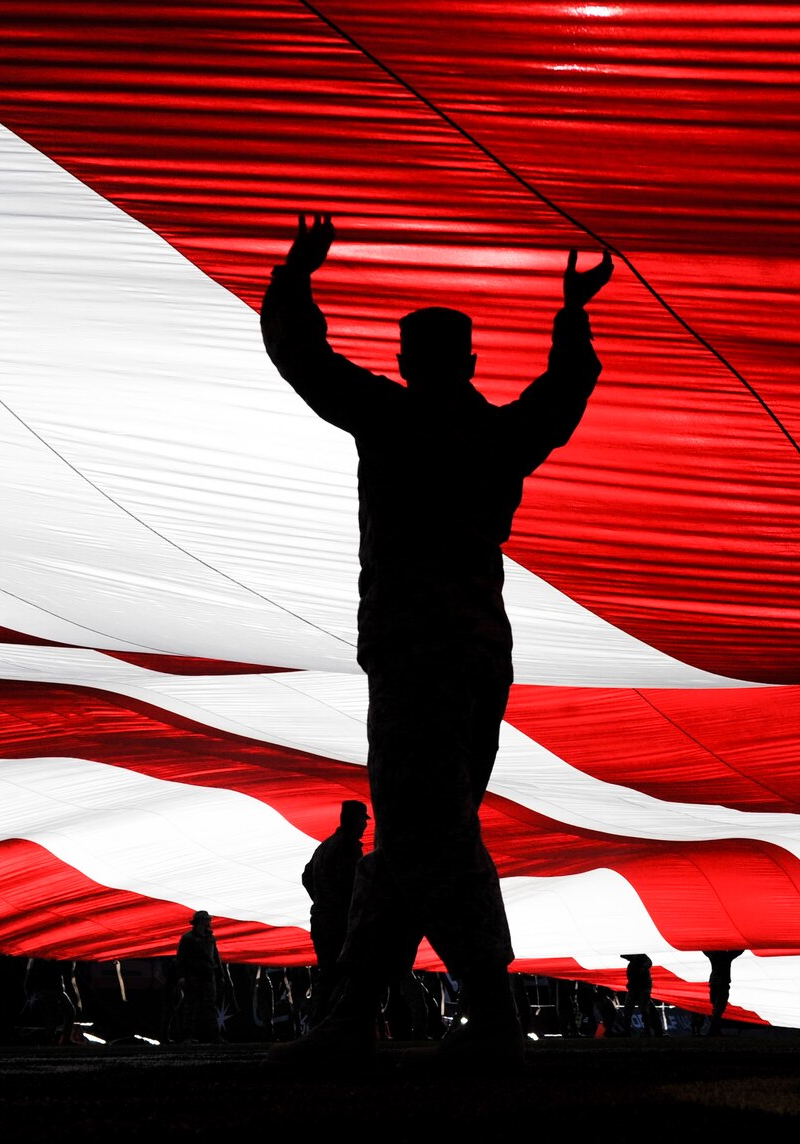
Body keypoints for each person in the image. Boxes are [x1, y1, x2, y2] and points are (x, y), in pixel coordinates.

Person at [261, 214, 613, 1065]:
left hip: (414, 649)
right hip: (478, 655)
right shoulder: (494, 436)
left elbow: (304, 362)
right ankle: (432, 1012)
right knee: (433, 829)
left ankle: (413, 1014)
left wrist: (297, 275)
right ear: (469, 362)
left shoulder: (392, 418)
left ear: (413, 363)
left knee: (425, 833)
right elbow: (561, 398)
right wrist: (572, 318)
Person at [300, 800, 368, 1019]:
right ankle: (332, 1022)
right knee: (346, 973)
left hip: (322, 918)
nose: (364, 826)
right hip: (339, 920)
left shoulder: (325, 846)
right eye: (362, 821)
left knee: (328, 973)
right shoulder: (347, 846)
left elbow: (306, 876)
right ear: (354, 820)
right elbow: (352, 884)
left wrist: (320, 899)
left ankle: (319, 1021)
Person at [174, 911, 222, 1043]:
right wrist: (182, 976)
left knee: (210, 1006)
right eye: (207, 920)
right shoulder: (187, 938)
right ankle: (187, 1036)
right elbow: (180, 959)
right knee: (190, 1005)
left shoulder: (211, 938)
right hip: (193, 976)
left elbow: (216, 957)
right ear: (201, 921)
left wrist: (220, 974)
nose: (210, 922)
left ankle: (214, 1036)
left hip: (208, 975)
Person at [703, 950, 742, 1036]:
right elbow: (739, 951)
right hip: (722, 983)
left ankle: (714, 1029)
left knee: (716, 1008)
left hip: (714, 983)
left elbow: (705, 951)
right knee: (719, 1008)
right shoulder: (727, 957)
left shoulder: (714, 956)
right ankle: (714, 1029)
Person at [621, 954, 659, 1037]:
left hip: (642, 988)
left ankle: (647, 1030)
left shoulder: (640, 958)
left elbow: (649, 962)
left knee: (643, 1010)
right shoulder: (633, 963)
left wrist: (642, 968)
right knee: (631, 1009)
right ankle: (628, 1031)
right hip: (636, 989)